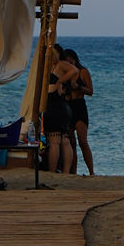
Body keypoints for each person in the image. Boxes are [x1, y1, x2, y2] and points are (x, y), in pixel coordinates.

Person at [60, 48, 95, 176]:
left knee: (82, 141)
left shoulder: (83, 72)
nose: (69, 62)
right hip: (68, 106)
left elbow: (91, 91)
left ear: (75, 59)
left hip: (79, 106)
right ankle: (73, 172)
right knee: (71, 143)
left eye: (71, 59)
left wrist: (79, 87)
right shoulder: (64, 73)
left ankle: (91, 171)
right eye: (67, 60)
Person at [44, 45, 76, 174]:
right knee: (63, 140)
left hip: (56, 104)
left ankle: (54, 171)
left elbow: (74, 70)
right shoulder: (52, 66)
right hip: (57, 103)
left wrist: (59, 81)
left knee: (55, 141)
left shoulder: (61, 65)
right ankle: (65, 171)